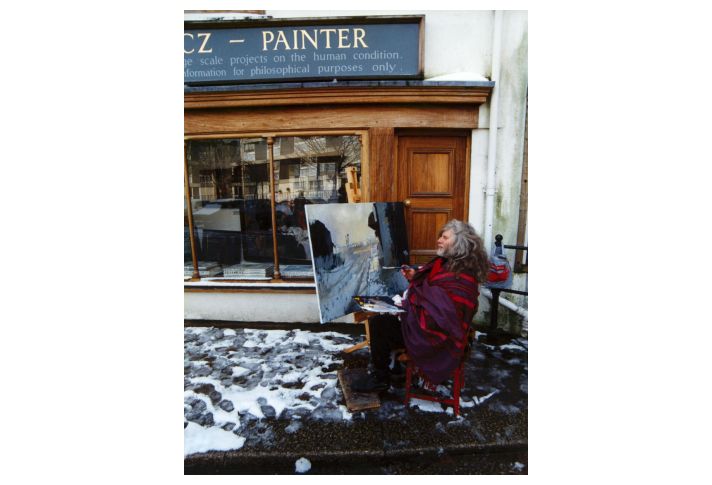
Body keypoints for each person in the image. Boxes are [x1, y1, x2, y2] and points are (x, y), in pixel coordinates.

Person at [351, 220, 490, 393]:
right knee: (383, 321)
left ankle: (381, 379)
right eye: (441, 235)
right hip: (425, 324)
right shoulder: (446, 263)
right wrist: (414, 277)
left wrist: (407, 308)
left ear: (459, 244)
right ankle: (391, 370)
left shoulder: (462, 276)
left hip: (437, 337)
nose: (439, 239)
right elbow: (431, 291)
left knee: (379, 325)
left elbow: (442, 316)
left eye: (445, 237)